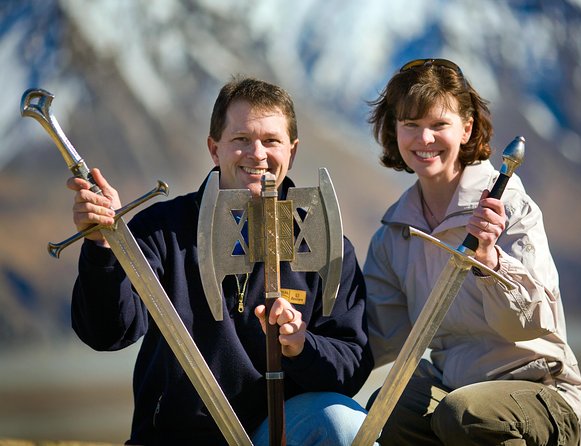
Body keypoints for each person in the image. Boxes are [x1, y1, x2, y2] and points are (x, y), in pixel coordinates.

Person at [67, 76, 373, 445]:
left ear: (292, 151)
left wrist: (302, 345)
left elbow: (351, 365)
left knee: (347, 426)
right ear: (215, 149)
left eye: (271, 141)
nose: (257, 154)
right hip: (179, 437)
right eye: (241, 139)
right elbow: (108, 332)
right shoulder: (164, 230)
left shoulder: (326, 244)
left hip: (279, 433)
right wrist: (104, 245)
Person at [363, 59, 581, 445]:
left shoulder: (513, 208)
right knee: (388, 407)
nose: (424, 139)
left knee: (465, 414)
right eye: (411, 126)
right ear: (393, 130)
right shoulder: (394, 236)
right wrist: (299, 341)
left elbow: (537, 322)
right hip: (456, 388)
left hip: (543, 391)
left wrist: (490, 262)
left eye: (439, 125)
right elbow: (372, 339)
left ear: (466, 127)